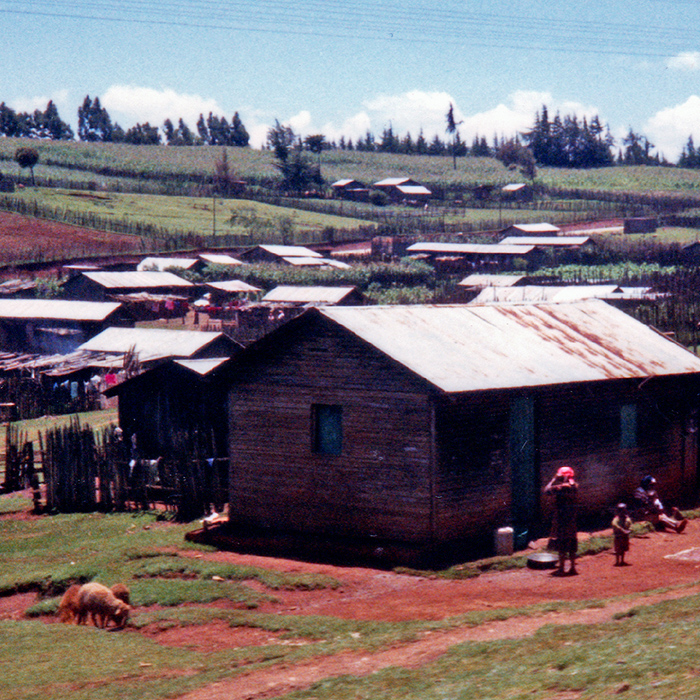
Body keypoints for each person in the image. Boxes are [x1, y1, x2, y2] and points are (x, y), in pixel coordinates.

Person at [544, 465, 579, 576]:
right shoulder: (575, 486)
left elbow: (546, 490)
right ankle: (573, 568)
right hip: (572, 519)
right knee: (572, 542)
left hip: (562, 519)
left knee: (562, 544)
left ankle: (562, 568)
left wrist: (554, 479)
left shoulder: (562, 487)